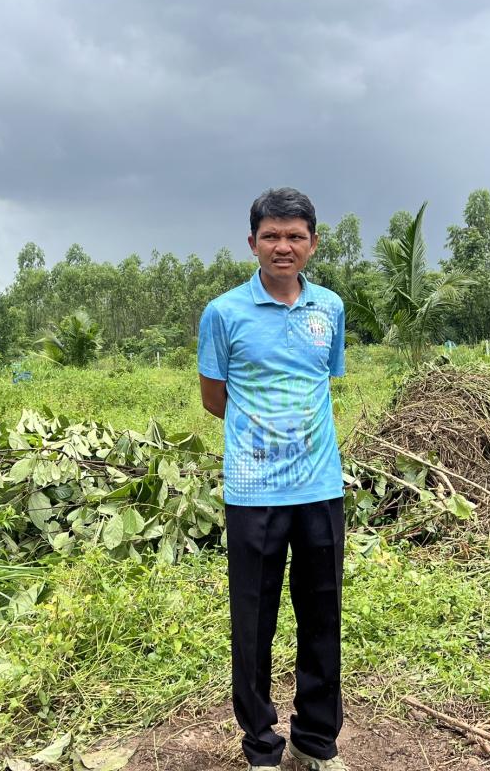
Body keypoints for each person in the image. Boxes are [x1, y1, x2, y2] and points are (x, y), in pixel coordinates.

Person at [197, 187, 349, 771]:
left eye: (295, 236)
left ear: (312, 243)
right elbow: (216, 398)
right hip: (252, 491)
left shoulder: (329, 309)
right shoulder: (224, 312)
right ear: (252, 242)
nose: (282, 247)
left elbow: (322, 382)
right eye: (271, 236)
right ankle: (261, 744)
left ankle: (316, 741)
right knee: (253, 620)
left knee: (322, 617)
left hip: (320, 489)